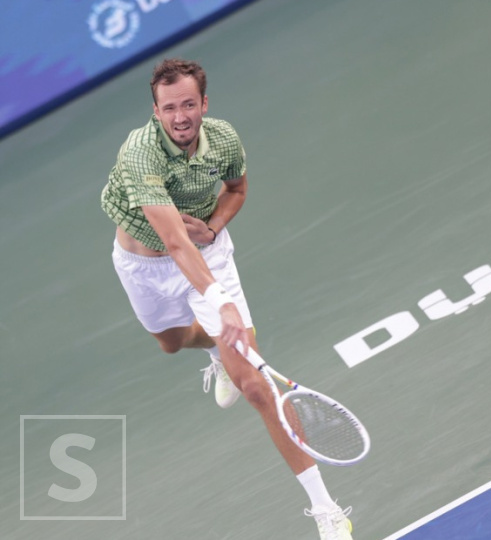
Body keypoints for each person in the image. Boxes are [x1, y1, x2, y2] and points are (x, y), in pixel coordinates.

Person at [101, 58, 354, 540]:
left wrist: (214, 228)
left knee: (257, 387)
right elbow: (174, 242)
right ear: (155, 111)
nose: (180, 117)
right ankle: (218, 350)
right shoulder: (140, 155)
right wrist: (222, 305)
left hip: (208, 258)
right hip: (142, 266)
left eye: (188, 105)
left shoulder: (223, 139)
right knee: (172, 342)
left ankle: (327, 510)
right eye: (169, 108)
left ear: (204, 104)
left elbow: (237, 189)